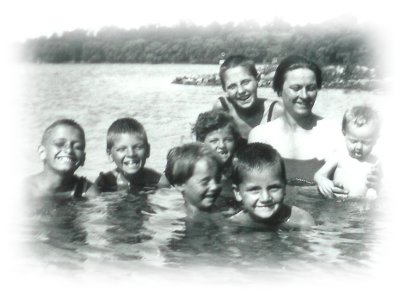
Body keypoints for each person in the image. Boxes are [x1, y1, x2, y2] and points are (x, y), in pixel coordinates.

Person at [248, 55, 345, 196]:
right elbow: (255, 192)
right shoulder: (261, 136)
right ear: (279, 89)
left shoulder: (333, 132)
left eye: (311, 88)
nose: (304, 95)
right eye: (296, 88)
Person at [230, 143, 315, 229]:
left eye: (274, 188)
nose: (265, 198)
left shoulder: (301, 221)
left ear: (284, 187)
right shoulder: (234, 224)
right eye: (254, 189)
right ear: (237, 192)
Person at [314, 105, 380, 199]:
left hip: (361, 208)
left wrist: (377, 187)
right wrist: (323, 182)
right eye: (353, 141)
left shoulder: (375, 162)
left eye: (366, 143)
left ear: (375, 140)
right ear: (344, 133)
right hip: (336, 205)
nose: (359, 147)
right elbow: (319, 174)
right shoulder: (340, 156)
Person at [213, 55, 282, 142]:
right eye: (232, 86)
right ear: (224, 89)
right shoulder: (223, 108)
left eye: (245, 82)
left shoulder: (276, 111)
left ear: (257, 80)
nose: (241, 91)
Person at [26, 119, 99, 198]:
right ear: (42, 152)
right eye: (59, 144)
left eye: (77, 147)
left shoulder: (87, 191)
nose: (69, 150)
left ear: (83, 159)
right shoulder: (22, 190)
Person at [192, 110, 241, 214]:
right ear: (201, 143)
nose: (222, 146)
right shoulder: (195, 170)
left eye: (228, 140)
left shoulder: (239, 169)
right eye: (214, 141)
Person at [94, 117, 161, 193]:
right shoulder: (104, 183)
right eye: (122, 149)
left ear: (148, 150)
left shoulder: (157, 180)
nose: (131, 154)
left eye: (138, 147)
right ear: (110, 155)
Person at [164, 142, 222, 218]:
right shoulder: (174, 219)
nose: (214, 186)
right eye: (205, 182)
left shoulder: (226, 212)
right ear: (180, 184)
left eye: (217, 179)